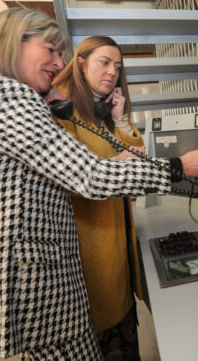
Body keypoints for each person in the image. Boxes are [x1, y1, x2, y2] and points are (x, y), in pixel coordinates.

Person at [0, 8, 198, 361]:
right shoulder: (4, 94)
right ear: (14, 41)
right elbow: (89, 177)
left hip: (3, 277)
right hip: (35, 283)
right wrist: (179, 166)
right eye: (51, 50)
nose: (59, 63)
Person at [51, 36, 147, 360]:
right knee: (102, 328)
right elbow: (72, 175)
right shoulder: (64, 107)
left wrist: (120, 117)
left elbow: (137, 153)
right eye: (104, 62)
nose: (112, 72)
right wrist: (119, 162)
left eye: (117, 66)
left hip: (114, 232)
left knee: (121, 322)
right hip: (90, 238)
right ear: (80, 62)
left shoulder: (100, 108)